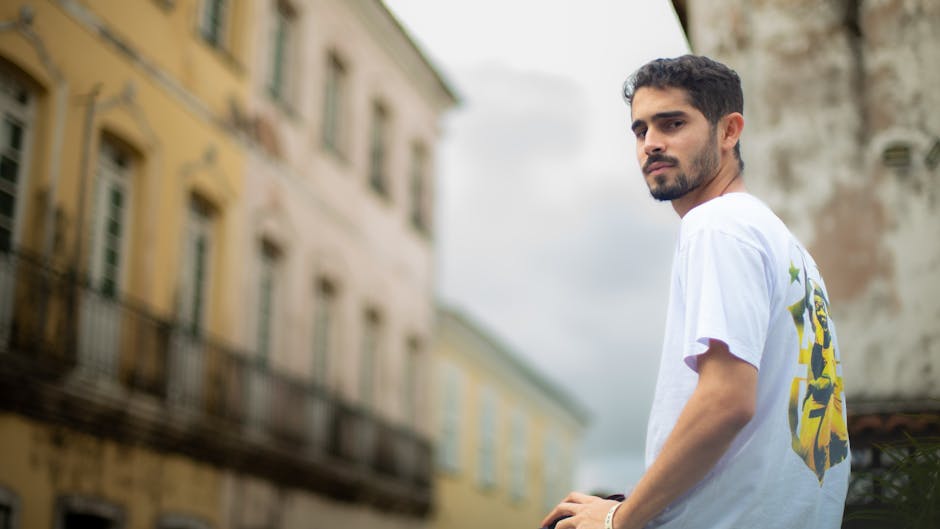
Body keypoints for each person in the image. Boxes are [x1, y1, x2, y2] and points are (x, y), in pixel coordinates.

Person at [540, 55, 850, 529]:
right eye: (640, 130)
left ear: (729, 131)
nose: (651, 144)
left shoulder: (717, 226)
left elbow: (727, 401)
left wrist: (619, 519)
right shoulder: (785, 247)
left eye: (672, 123)